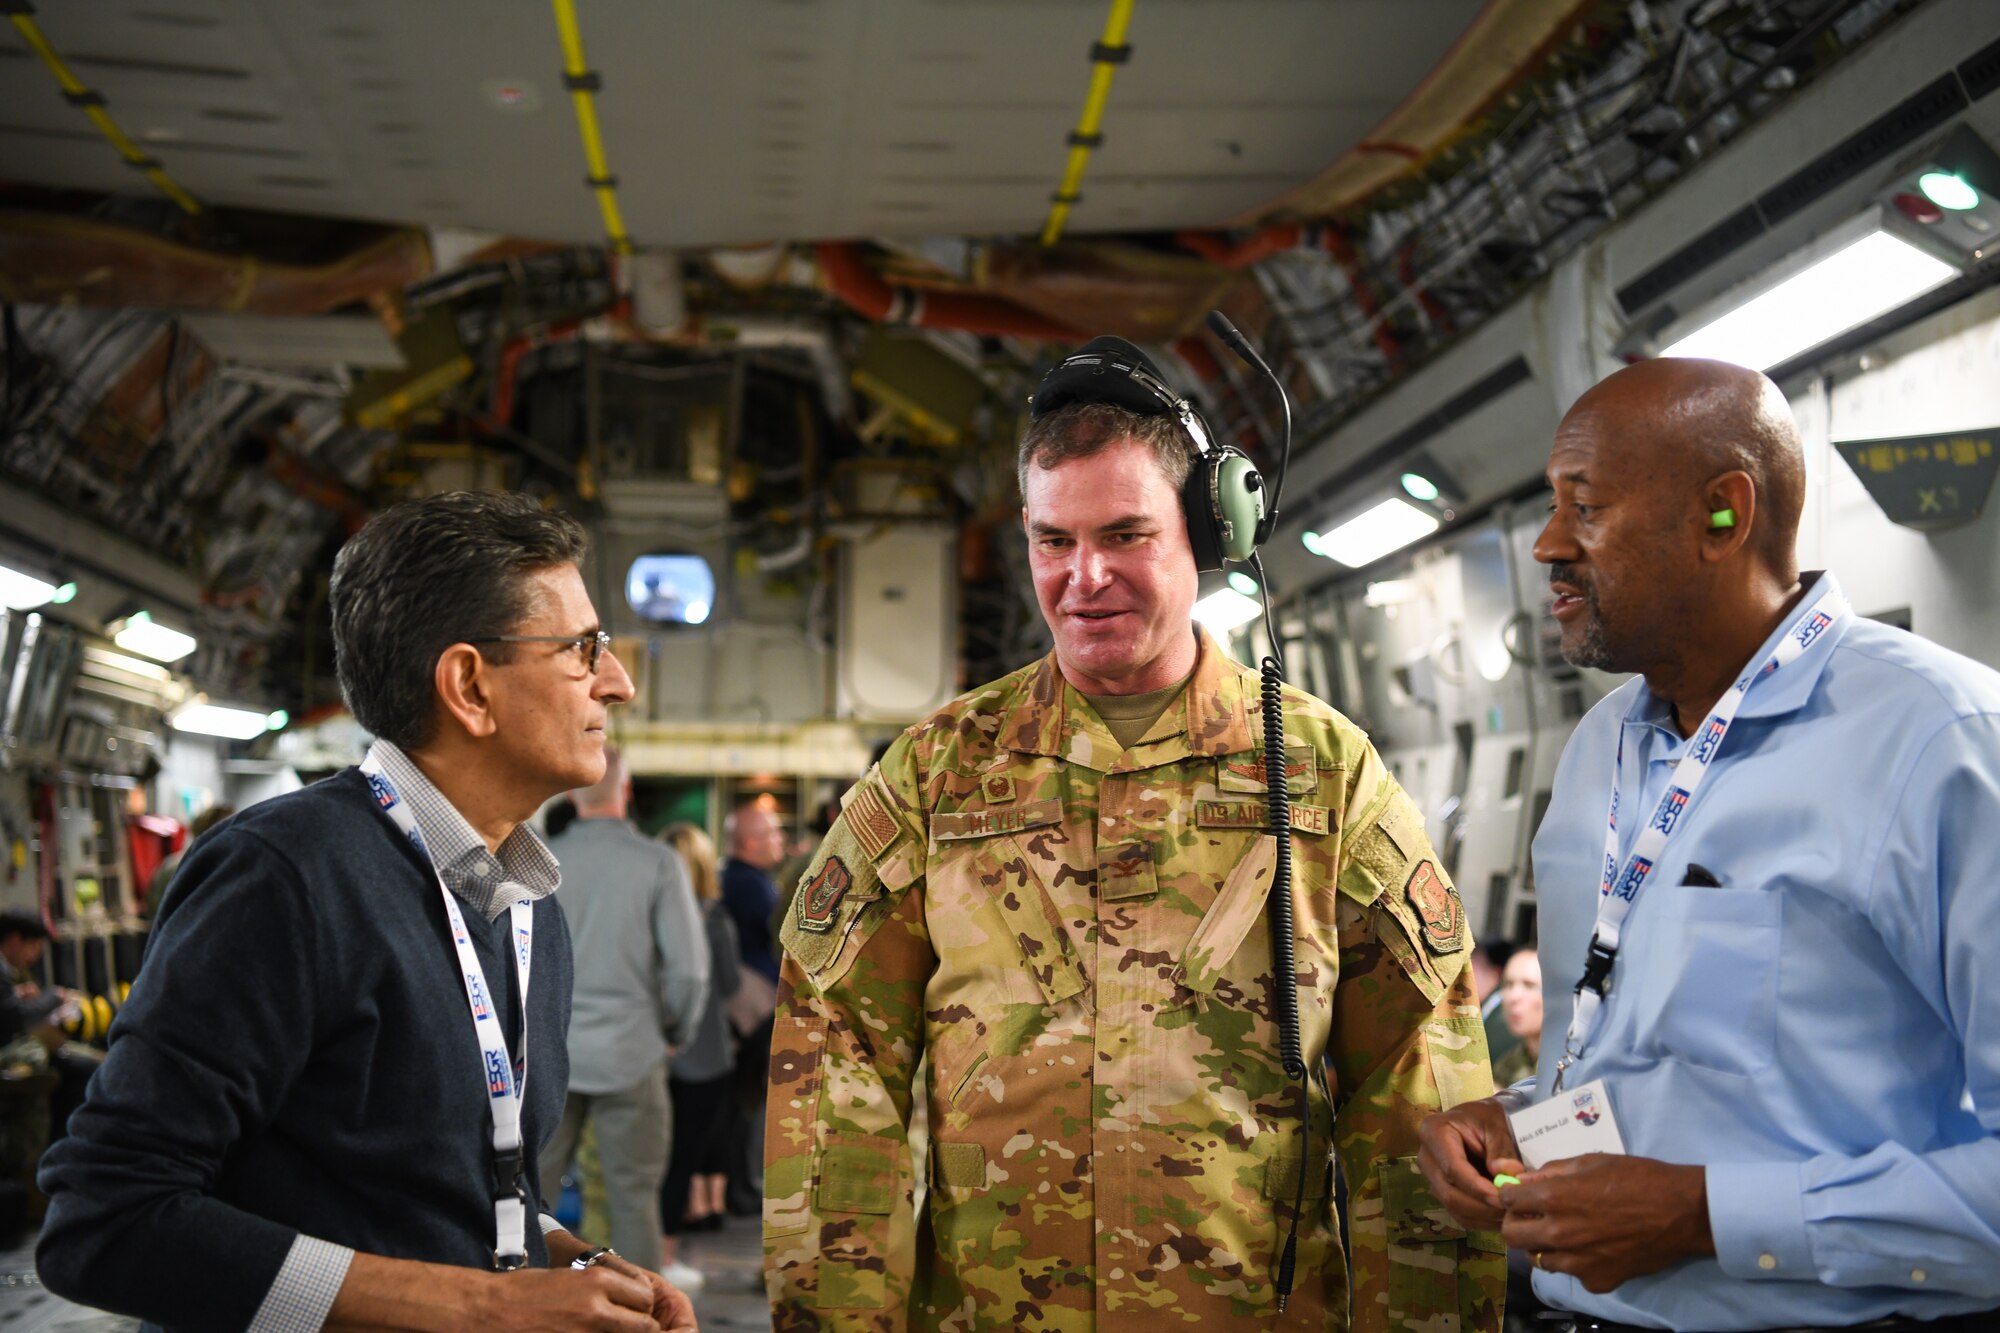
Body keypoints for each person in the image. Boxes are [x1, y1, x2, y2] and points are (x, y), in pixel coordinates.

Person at [765, 339, 1503, 1330]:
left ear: (1206, 531)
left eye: (1124, 534)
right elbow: (834, 1055)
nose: (1085, 576)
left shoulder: (1322, 775)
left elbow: (1416, 1083)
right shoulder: (937, 774)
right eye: (1052, 541)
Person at [1416, 357, 2000, 1331]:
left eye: (1583, 506)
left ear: (1721, 516)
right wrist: (1518, 1118)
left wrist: (1707, 1216)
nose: (1546, 544)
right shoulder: (1601, 747)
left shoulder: (1939, 743)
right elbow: (1649, 1072)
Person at [37, 491, 696, 1333]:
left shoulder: (525, 904)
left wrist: (576, 1262)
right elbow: (105, 1218)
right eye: (581, 648)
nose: (619, 680)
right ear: (469, 686)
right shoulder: (283, 878)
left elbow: (452, 1191)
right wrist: (487, 1305)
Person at [539, 747, 710, 1292]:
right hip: (633, 1052)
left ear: (570, 793)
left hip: (553, 1057)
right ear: (628, 791)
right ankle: (637, 1312)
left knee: (530, 1198)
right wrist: (674, 1033)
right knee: (632, 1196)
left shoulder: (542, 858)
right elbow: (690, 974)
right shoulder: (658, 862)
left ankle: (531, 1308)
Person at [656, 822, 742, 1292]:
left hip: (653, 1053)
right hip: (706, 1055)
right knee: (684, 1158)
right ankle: (665, 1256)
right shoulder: (714, 921)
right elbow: (728, 985)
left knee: (651, 1160)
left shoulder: (648, 912)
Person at [720, 803, 784, 1217]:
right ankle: (742, 1187)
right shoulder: (750, 887)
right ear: (748, 842)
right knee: (747, 1104)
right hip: (755, 1010)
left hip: (744, 1010)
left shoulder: (741, 881)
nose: (780, 839)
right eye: (773, 833)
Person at [1489, 948, 1540, 1090]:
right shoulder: (1509, 1063)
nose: (1513, 997)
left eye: (1529, 985)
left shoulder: (1573, 1064)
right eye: (1508, 984)